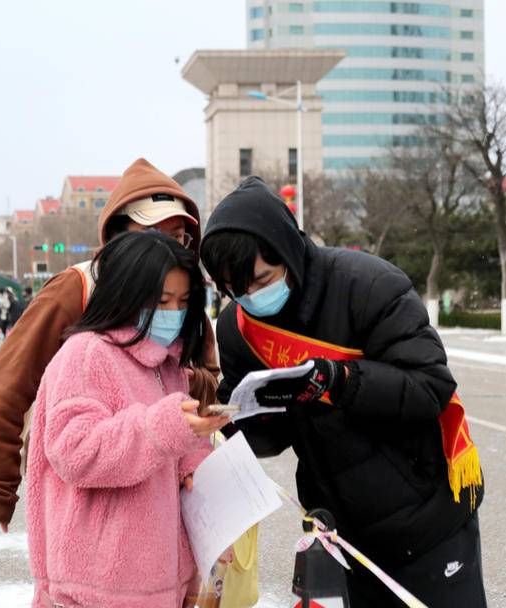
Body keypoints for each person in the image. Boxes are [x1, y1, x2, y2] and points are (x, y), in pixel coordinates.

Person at [201, 177, 487, 607]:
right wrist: (236, 418)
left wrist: (341, 381)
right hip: (337, 532)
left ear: (289, 251)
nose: (250, 297)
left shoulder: (368, 285)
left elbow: (430, 388)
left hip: (427, 521)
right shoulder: (237, 328)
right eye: (235, 290)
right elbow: (270, 438)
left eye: (262, 280)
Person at [0, 157, 220, 532]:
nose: (169, 247)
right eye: (154, 233)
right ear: (120, 235)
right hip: (87, 501)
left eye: (179, 236)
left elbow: (208, 379)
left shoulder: (183, 295)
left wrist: (184, 388)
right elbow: (10, 380)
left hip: (165, 491)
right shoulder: (78, 287)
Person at [26, 230, 227, 607]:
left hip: (163, 581)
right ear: (126, 293)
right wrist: (161, 428)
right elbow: (75, 450)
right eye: (162, 300)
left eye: (183, 302)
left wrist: (198, 460)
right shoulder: (85, 355)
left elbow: (173, 448)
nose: (173, 314)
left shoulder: (168, 363)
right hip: (96, 588)